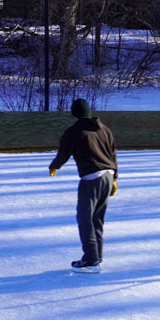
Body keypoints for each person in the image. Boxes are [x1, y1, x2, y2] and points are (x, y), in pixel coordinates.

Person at [48, 98, 118, 273]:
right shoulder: (105, 129)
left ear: (74, 114)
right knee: (97, 218)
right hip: (108, 175)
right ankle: (96, 255)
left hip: (92, 178)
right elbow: (113, 153)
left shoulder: (75, 131)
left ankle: (90, 259)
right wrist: (115, 178)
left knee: (84, 218)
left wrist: (55, 165)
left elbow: (64, 151)